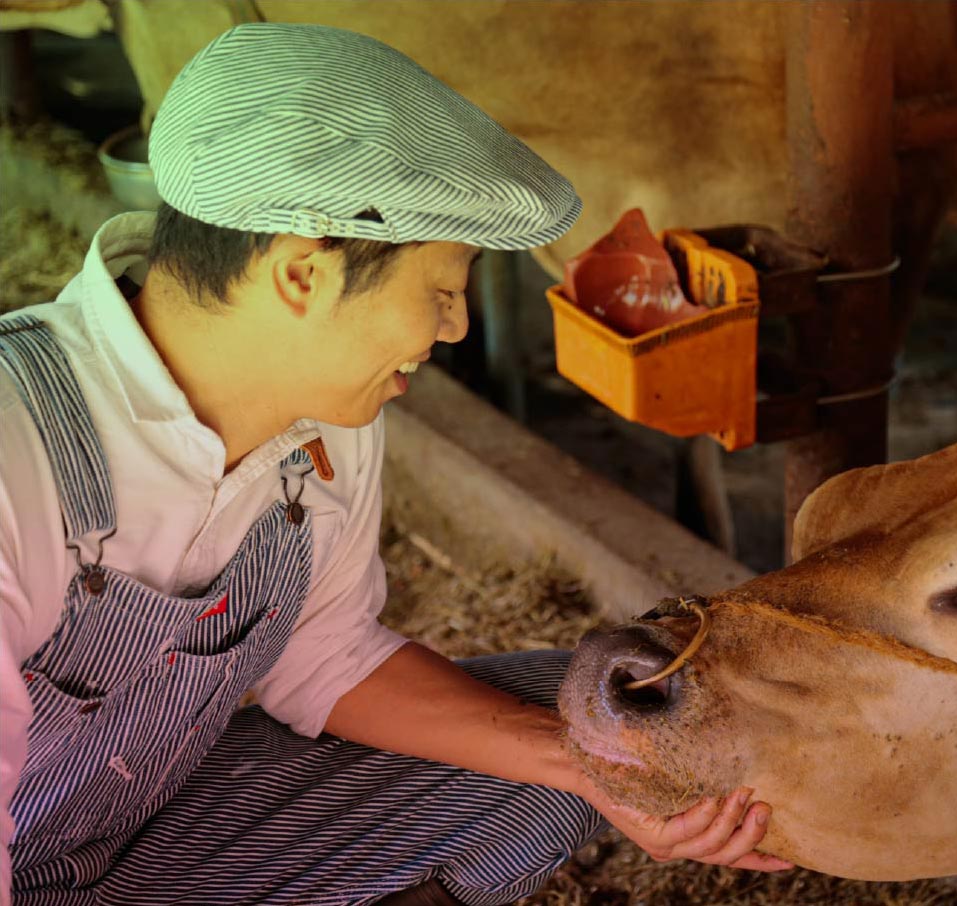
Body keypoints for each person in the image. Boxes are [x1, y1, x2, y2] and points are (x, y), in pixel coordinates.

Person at [0, 22, 788, 906]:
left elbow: (325, 656)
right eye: (441, 292)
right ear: (305, 275)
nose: (453, 329)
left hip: (142, 829)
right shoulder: (15, 451)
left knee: (579, 729)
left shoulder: (325, 417)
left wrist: (598, 773)